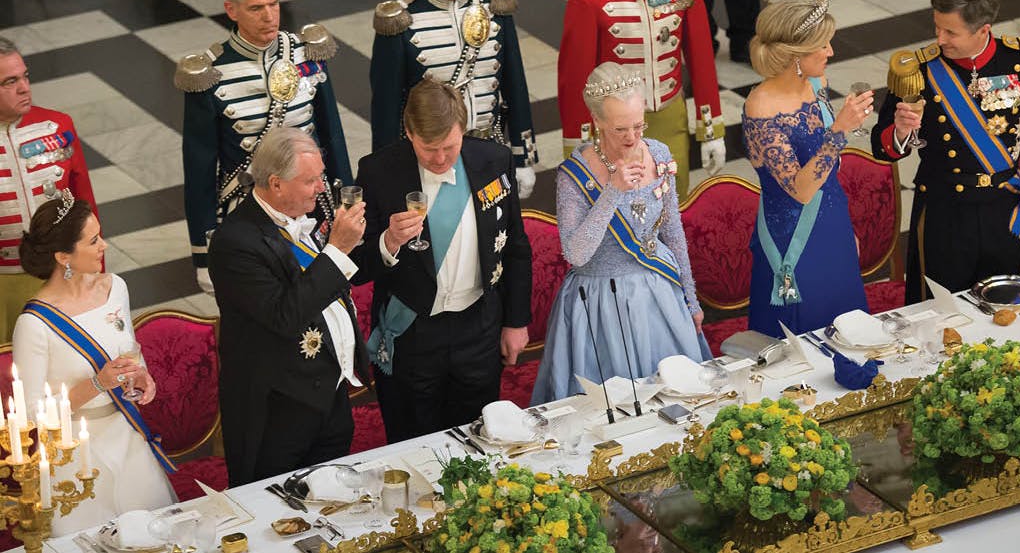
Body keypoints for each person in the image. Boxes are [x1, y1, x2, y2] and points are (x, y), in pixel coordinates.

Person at [355, 78, 531, 441]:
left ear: (462, 129)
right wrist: (388, 241)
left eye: (449, 147)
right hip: (413, 335)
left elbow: (515, 246)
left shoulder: (493, 161)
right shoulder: (379, 172)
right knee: (412, 441)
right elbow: (355, 266)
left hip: (478, 330)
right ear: (408, 133)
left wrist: (515, 322)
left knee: (478, 443)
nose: (439, 159)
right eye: (428, 148)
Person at [531, 63, 711, 405]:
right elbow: (575, 254)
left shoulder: (657, 153)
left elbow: (672, 230)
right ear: (597, 120)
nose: (633, 138)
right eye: (620, 129)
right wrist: (612, 190)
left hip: (660, 297)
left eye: (639, 125)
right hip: (599, 306)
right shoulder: (573, 176)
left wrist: (690, 298)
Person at [871, 0, 1020, 303]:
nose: (940, 39)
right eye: (937, 28)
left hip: (1004, 212)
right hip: (944, 214)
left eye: (951, 32)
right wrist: (900, 131)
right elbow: (881, 146)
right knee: (938, 312)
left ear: (984, 29)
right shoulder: (919, 71)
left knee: (1004, 310)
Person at [178, 0, 352, 295]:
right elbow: (199, 173)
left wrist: (348, 205)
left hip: (313, 205)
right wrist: (202, 254)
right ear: (231, 10)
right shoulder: (210, 73)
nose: (269, 16)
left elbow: (333, 137)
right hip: (250, 215)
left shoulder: (306, 52)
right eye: (256, 8)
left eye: (273, 5)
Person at [209, 127, 369, 487]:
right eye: (310, 180)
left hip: (330, 397)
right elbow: (285, 315)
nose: (322, 188)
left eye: (321, 177)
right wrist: (337, 250)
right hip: (277, 412)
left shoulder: (306, 214)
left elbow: (334, 284)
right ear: (276, 184)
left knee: (334, 502)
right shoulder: (235, 242)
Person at [13, 193, 173, 535]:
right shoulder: (34, 323)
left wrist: (142, 376)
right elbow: (29, 416)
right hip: (73, 460)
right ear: (63, 256)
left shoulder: (115, 288)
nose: (104, 245)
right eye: (93, 240)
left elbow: (129, 350)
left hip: (128, 439)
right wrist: (96, 385)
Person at [558, 0, 726, 198]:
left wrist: (711, 127)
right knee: (623, 214)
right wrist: (578, 145)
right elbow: (575, 80)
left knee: (675, 206)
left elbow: (701, 57)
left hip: (669, 115)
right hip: (614, 128)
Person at [370, 0, 537, 198]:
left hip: (490, 152)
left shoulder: (494, 8)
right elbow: (386, 110)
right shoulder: (401, 22)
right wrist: (389, 172)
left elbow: (515, 86)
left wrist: (522, 158)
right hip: (433, 160)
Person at [741, 0, 871, 337]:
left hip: (833, 224)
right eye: (823, 45)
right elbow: (800, 190)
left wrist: (845, 228)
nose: (831, 52)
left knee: (850, 330)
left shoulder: (817, 85)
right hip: (793, 241)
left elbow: (829, 169)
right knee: (806, 340)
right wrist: (840, 130)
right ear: (795, 56)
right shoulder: (761, 108)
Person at [0, 37, 97, 341]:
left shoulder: (58, 126)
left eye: (25, 76)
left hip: (63, 275)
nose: (24, 88)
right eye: (9, 81)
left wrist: (93, 272)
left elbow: (85, 207)